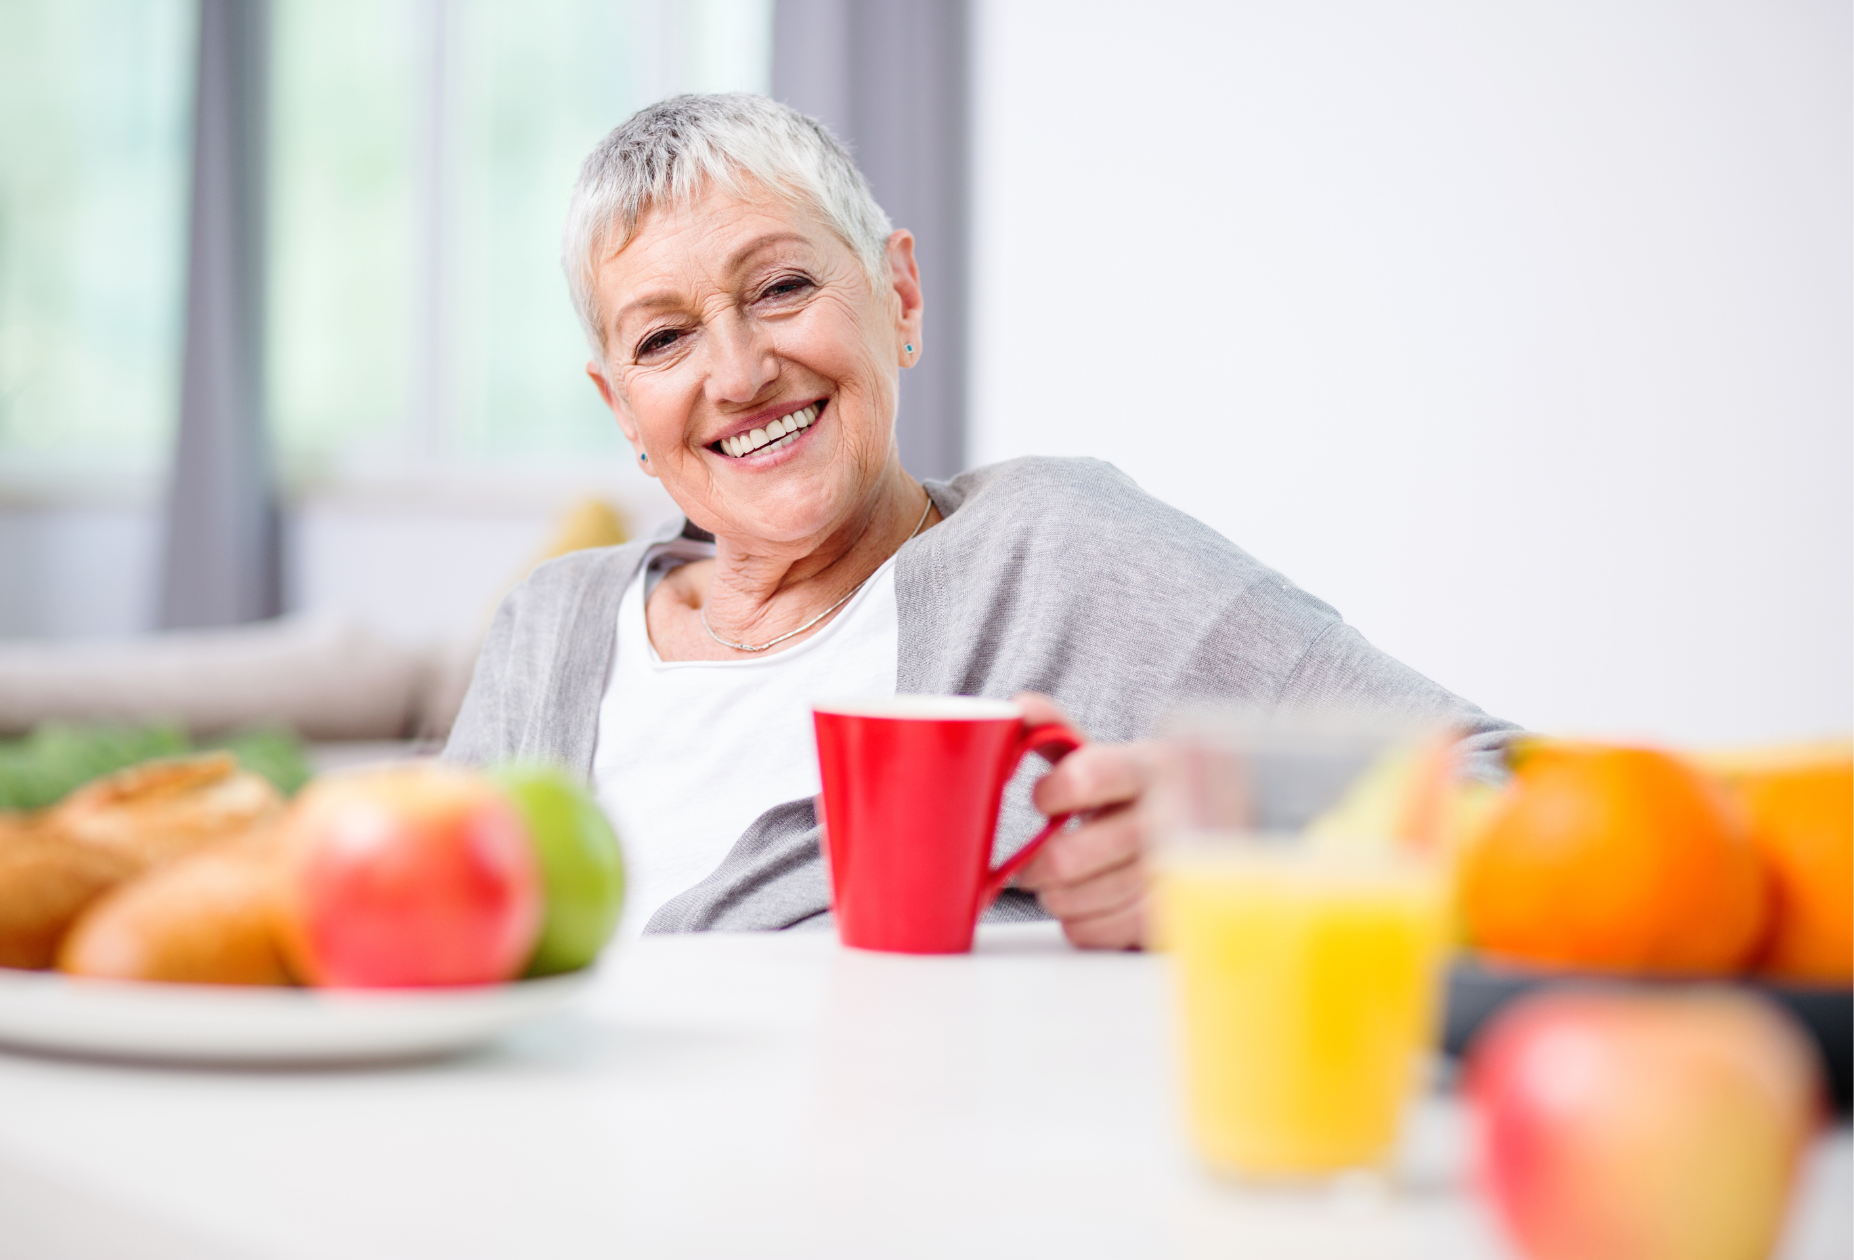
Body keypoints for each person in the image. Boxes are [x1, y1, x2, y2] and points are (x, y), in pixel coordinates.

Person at [444, 93, 1512, 947]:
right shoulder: (550, 627)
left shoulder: (1057, 552)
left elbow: (1506, 785)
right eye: (664, 340)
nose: (739, 372)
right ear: (623, 409)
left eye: (779, 287)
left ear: (899, 297)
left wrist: (1245, 842)